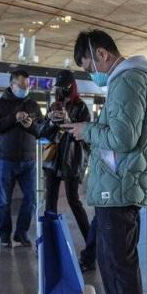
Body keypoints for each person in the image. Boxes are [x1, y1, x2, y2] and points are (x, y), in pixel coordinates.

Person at [62, 29, 147, 294]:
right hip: (120, 182)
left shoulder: (127, 81)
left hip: (121, 183)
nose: (91, 73)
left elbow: (122, 138)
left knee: (120, 261)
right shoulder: (131, 80)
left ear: (103, 54)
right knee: (110, 257)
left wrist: (86, 130)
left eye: (89, 65)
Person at [0, 69, 42, 247]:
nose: (25, 88)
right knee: (4, 201)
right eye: (22, 85)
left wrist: (31, 125)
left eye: (28, 85)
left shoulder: (33, 105)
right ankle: (4, 235)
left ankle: (21, 232)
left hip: (29, 161)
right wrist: (13, 118)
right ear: (12, 85)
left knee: (31, 199)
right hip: (6, 160)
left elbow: (40, 129)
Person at [36, 70, 91, 242]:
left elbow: (86, 134)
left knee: (73, 200)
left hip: (72, 158)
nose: (61, 90)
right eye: (59, 87)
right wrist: (52, 121)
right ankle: (48, 242)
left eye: (65, 86)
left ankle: (91, 242)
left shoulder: (81, 107)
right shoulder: (54, 105)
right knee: (50, 201)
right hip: (54, 158)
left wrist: (68, 121)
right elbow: (43, 132)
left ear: (72, 86)